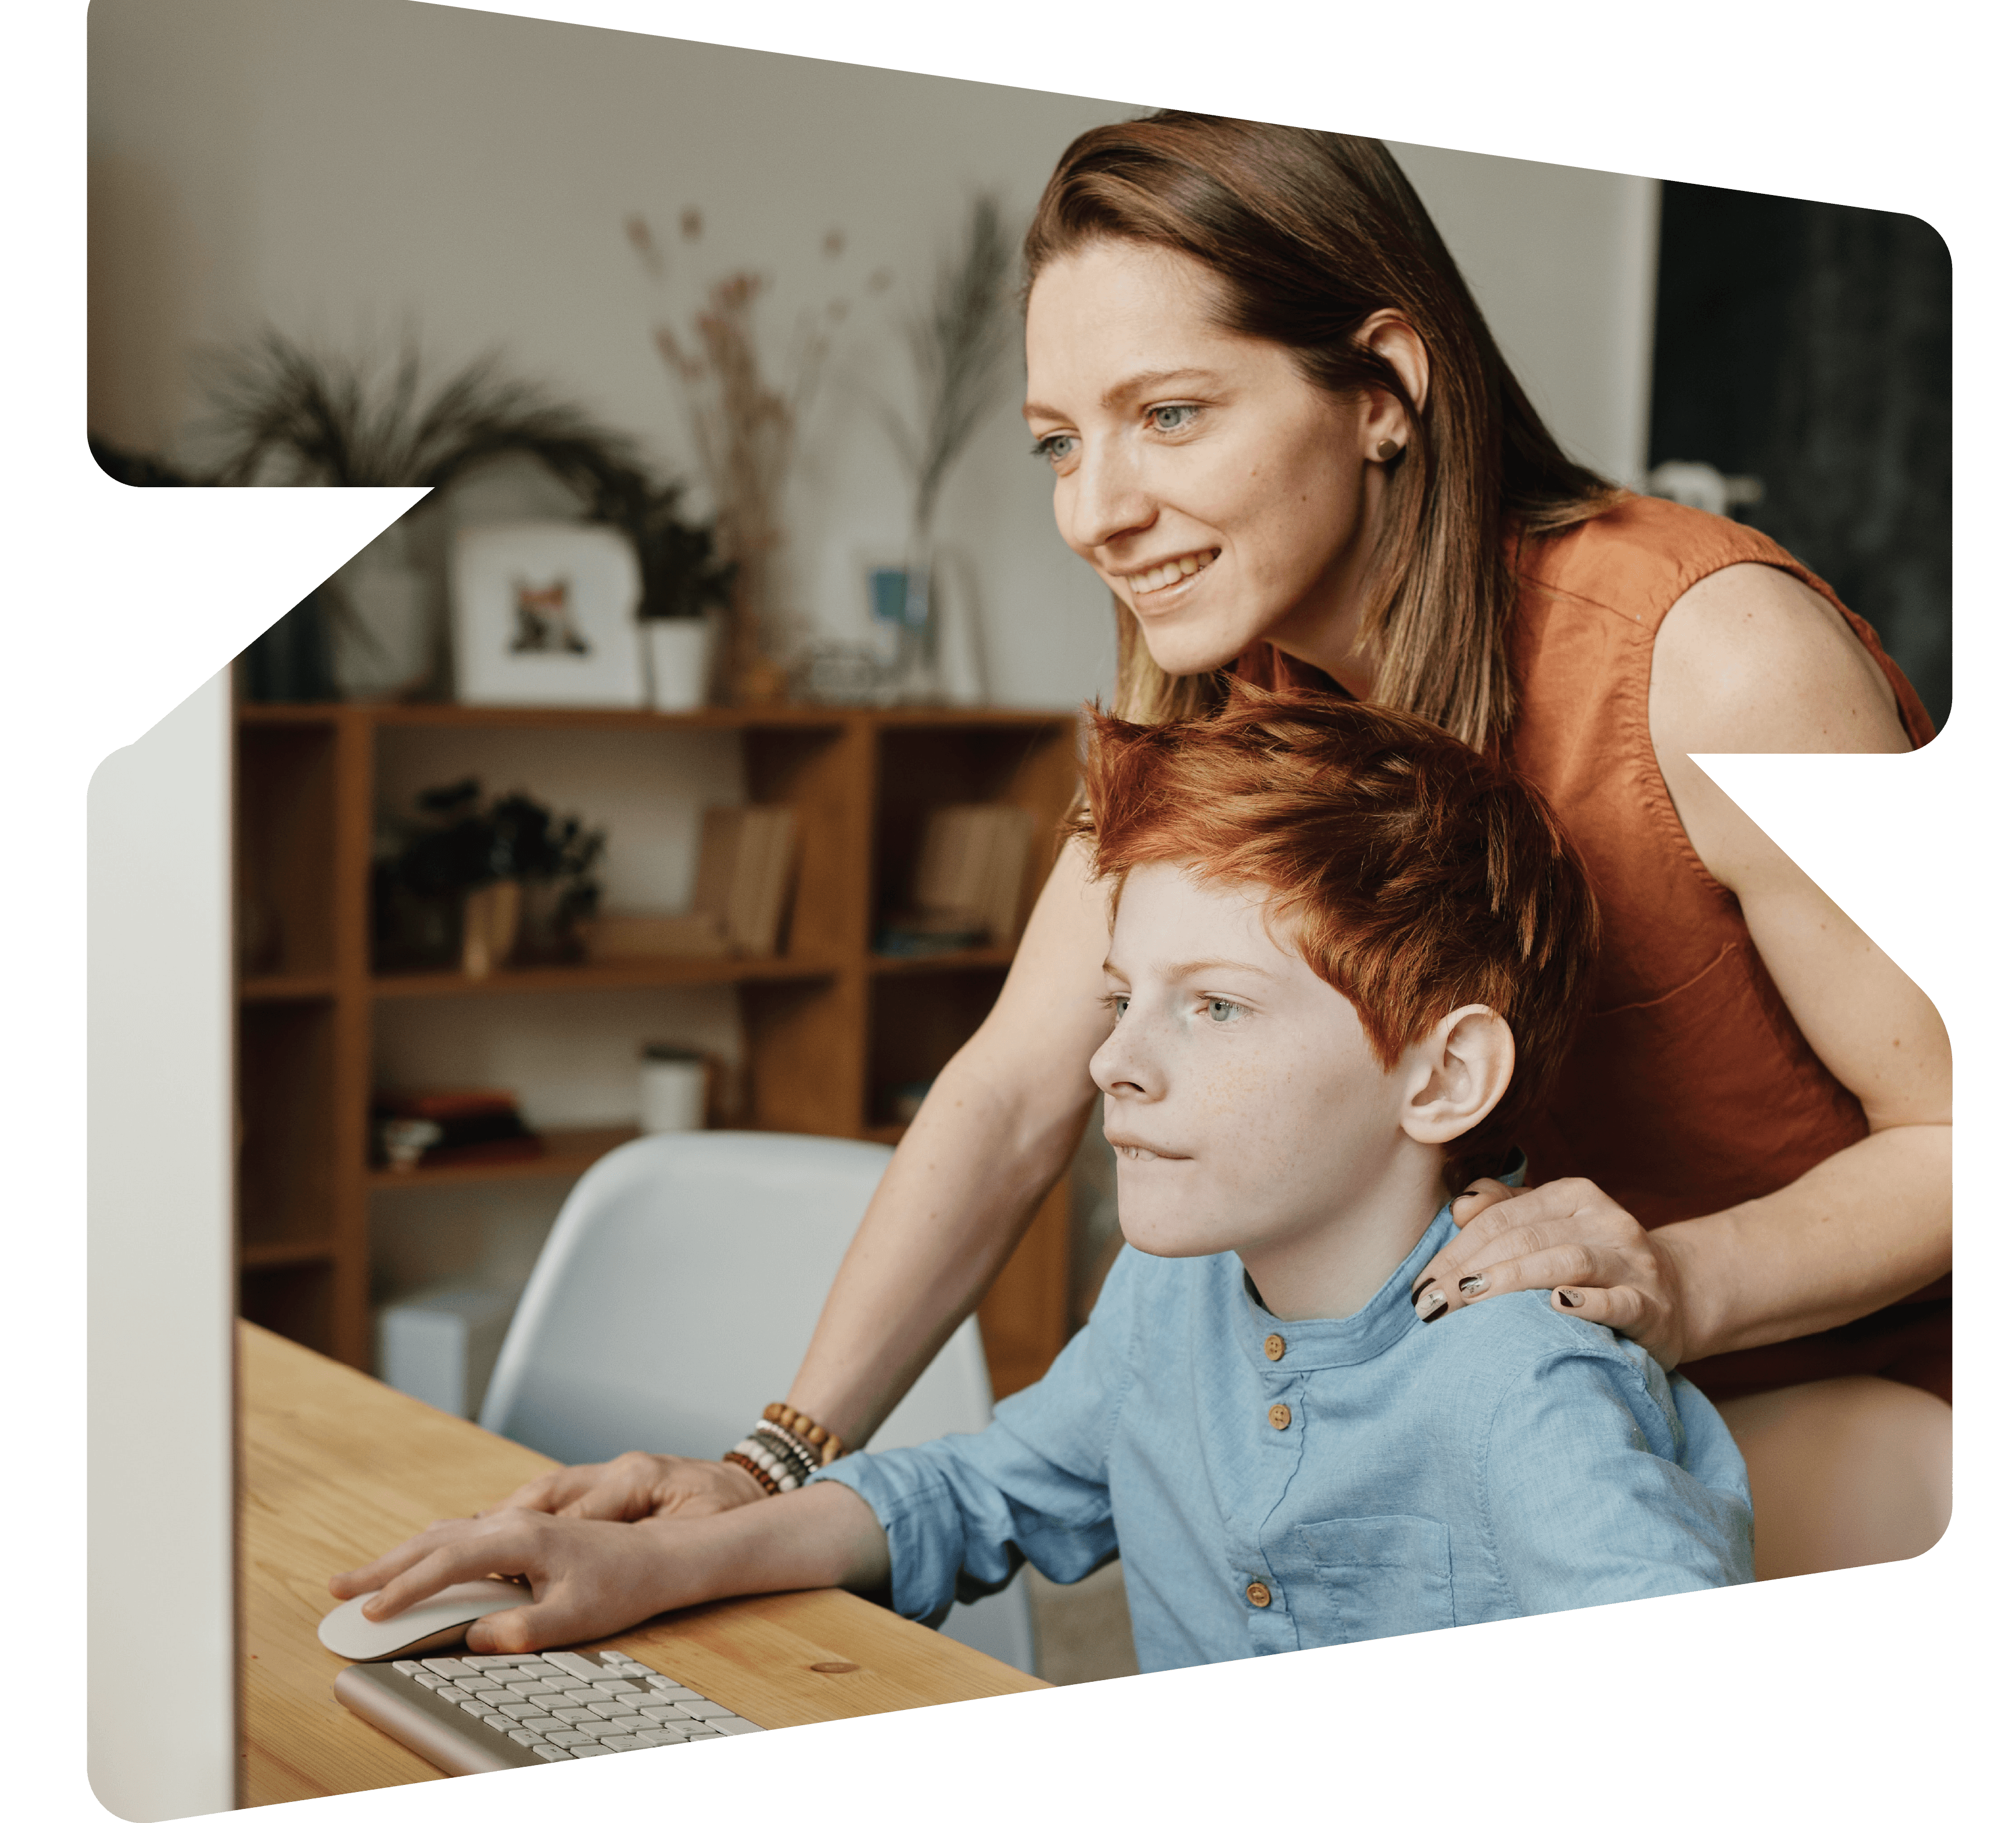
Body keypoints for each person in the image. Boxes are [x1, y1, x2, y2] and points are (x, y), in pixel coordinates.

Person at [492, 114, 1952, 1581]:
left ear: (1383, 387)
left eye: (1170, 415)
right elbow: (1011, 1086)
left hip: (1834, 1424)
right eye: (1060, 443)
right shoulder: (1207, 693)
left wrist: (1674, 1278)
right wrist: (769, 1464)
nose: (1095, 513)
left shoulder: (1717, 655)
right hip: (1475, 1413)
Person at [333, 695, 1752, 1662]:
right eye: (1122, 999)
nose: (1111, 1067)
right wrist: (660, 1567)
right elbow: (975, 1493)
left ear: (1439, 1079)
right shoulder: (1167, 1296)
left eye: (1212, 1007)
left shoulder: (1523, 1384)